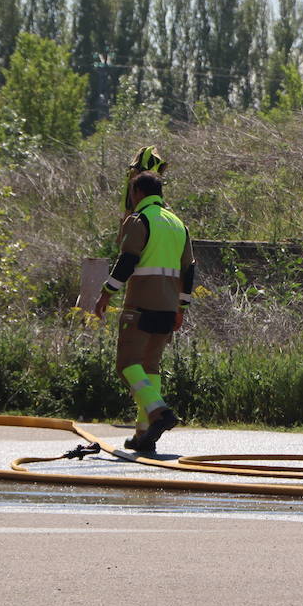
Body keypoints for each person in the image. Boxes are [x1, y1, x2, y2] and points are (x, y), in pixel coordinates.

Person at [95, 171, 195, 457]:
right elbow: (189, 270)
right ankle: (144, 436)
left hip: (139, 306)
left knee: (127, 364)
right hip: (167, 309)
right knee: (150, 368)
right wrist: (182, 307)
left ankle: (159, 413)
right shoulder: (178, 224)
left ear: (137, 192)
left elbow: (127, 260)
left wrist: (106, 293)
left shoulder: (140, 220)